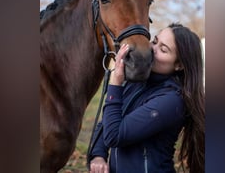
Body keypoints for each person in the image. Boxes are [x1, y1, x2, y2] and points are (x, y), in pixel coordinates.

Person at [88, 23, 205, 173]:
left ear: (179, 65)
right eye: (155, 42)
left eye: (163, 49)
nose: (152, 49)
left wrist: (115, 83)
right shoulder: (138, 82)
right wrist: (98, 155)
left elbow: (114, 135)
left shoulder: (172, 101)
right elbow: (107, 121)